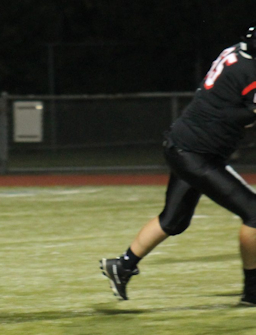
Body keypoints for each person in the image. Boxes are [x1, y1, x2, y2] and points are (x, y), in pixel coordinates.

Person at [100, 24, 256, 304]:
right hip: (197, 153)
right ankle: (253, 292)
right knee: (255, 214)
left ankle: (122, 266)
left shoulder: (236, 54)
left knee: (173, 220)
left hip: (184, 144)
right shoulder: (250, 72)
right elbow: (243, 113)